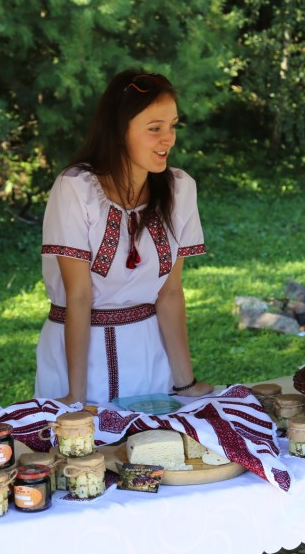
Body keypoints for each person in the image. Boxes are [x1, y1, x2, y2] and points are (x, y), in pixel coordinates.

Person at [35, 70, 214, 405]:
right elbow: (78, 295)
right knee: (82, 454)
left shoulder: (180, 189)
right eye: (154, 128)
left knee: (152, 451)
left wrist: (184, 383)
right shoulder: (75, 188)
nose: (169, 139)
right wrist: (76, 396)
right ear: (119, 132)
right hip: (78, 359)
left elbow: (170, 292)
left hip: (148, 356)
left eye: (173, 125)